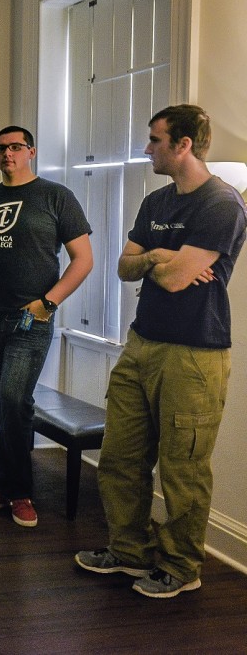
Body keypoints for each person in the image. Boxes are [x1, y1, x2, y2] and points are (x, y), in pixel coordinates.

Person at [75, 105, 246, 598]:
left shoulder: (222, 204)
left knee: (183, 469)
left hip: (194, 354)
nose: (147, 148)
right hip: (141, 343)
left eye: (155, 140)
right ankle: (128, 552)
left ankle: (180, 567)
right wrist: (158, 256)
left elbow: (172, 281)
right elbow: (126, 267)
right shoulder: (156, 202)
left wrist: (156, 263)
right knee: (120, 457)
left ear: (184, 144)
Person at [0, 126, 93, 528]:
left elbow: (82, 258)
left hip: (30, 318)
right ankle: (8, 485)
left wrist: (49, 302)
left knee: (15, 400)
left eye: (15, 147)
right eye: (0, 148)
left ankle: (20, 493)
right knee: (3, 405)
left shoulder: (55, 196)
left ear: (31, 151)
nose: (7, 154)